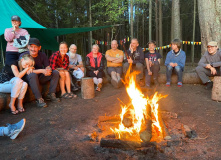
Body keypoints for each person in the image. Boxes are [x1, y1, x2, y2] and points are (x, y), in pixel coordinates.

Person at [20, 38, 60, 108]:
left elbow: (47, 66)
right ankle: (39, 99)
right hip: (28, 78)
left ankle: (51, 94)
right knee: (32, 74)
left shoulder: (42, 55)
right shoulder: (24, 56)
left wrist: (48, 70)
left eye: (35, 47)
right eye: (31, 46)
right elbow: (26, 71)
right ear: (28, 47)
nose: (33, 49)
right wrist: (42, 70)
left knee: (55, 72)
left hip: (40, 78)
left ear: (39, 48)